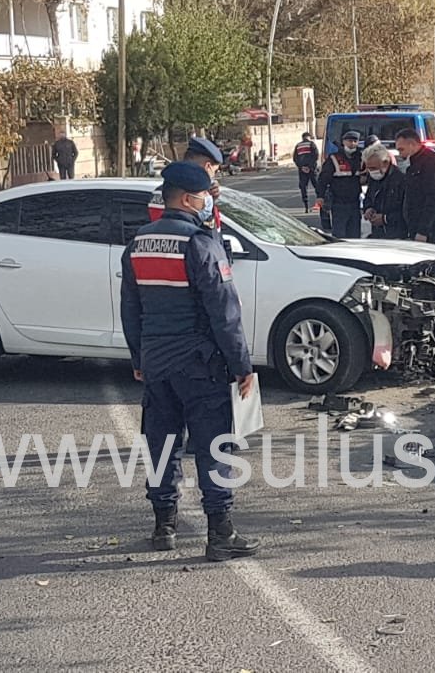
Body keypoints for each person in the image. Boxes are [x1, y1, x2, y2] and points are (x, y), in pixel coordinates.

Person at [120, 162, 261, 561]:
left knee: (161, 443)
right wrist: (242, 365)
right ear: (187, 199)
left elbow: (130, 307)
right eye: (203, 197)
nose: (205, 202)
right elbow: (224, 312)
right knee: (212, 446)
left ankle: (164, 525)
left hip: (156, 362)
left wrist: (138, 357)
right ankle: (220, 533)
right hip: (200, 365)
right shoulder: (201, 244)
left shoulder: (139, 243)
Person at [395, 128, 435, 247]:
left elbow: (434, 197)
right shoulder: (415, 163)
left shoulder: (431, 162)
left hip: (433, 228)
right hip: (420, 226)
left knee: (430, 264)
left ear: (412, 144)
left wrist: (423, 230)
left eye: (401, 149)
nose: (400, 154)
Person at [319, 130, 364, 238]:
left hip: (355, 202)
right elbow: (323, 179)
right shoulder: (334, 158)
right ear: (343, 142)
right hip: (339, 202)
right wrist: (320, 196)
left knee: (355, 234)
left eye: (355, 141)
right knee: (339, 234)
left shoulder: (361, 157)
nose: (352, 143)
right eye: (349, 141)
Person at [361, 142, 408, 239]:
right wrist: (368, 208)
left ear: (385, 163)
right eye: (368, 168)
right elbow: (368, 197)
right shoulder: (373, 178)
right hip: (378, 233)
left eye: (373, 168)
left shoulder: (401, 180)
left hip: (398, 234)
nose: (371, 171)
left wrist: (385, 218)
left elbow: (408, 211)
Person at [292, 132, 321, 210]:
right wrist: (309, 167)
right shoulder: (311, 144)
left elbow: (295, 158)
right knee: (317, 186)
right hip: (312, 169)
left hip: (302, 170)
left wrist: (302, 167)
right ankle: (320, 202)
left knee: (303, 187)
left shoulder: (298, 146)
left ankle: (306, 205)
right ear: (309, 137)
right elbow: (316, 155)